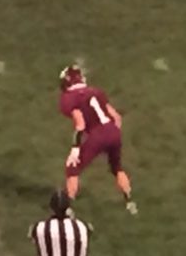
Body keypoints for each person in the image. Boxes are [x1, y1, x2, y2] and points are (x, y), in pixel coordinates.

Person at [57, 64, 136, 213]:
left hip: (98, 134)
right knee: (117, 167)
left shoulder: (69, 98)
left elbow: (80, 125)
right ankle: (130, 202)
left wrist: (75, 148)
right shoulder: (96, 92)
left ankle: (67, 209)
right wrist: (112, 133)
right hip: (113, 130)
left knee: (72, 168)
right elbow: (117, 117)